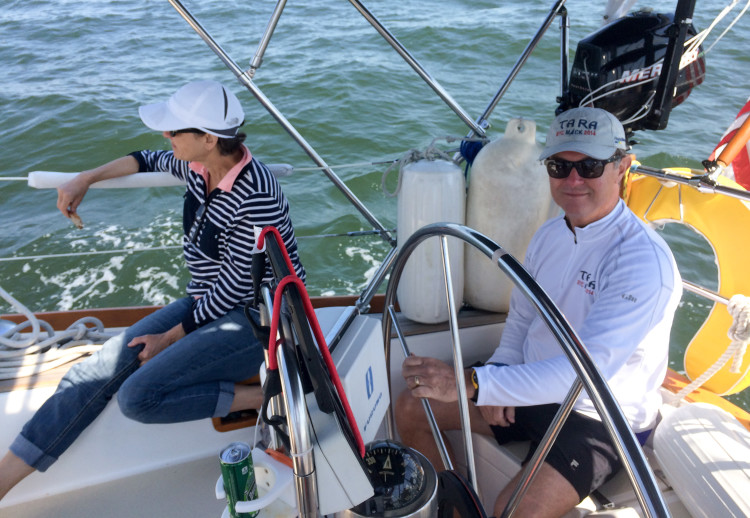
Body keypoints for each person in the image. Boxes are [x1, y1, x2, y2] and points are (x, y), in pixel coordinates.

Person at [0, 79, 305, 500]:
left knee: (138, 397)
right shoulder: (201, 166)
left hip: (260, 319)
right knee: (91, 372)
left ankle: (264, 394)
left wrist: (170, 336)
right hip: (207, 303)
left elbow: (237, 287)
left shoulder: (256, 195)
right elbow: (144, 159)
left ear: (208, 138)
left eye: (175, 130)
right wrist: (85, 178)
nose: (167, 136)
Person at [396, 107, 682, 518]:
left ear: (622, 166)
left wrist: (478, 383)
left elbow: (586, 377)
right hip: (531, 387)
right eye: (559, 166)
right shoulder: (549, 233)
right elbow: (523, 317)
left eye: (590, 165)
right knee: (411, 406)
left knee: (513, 511)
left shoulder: (642, 264)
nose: (573, 180)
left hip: (599, 416)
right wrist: (502, 367)